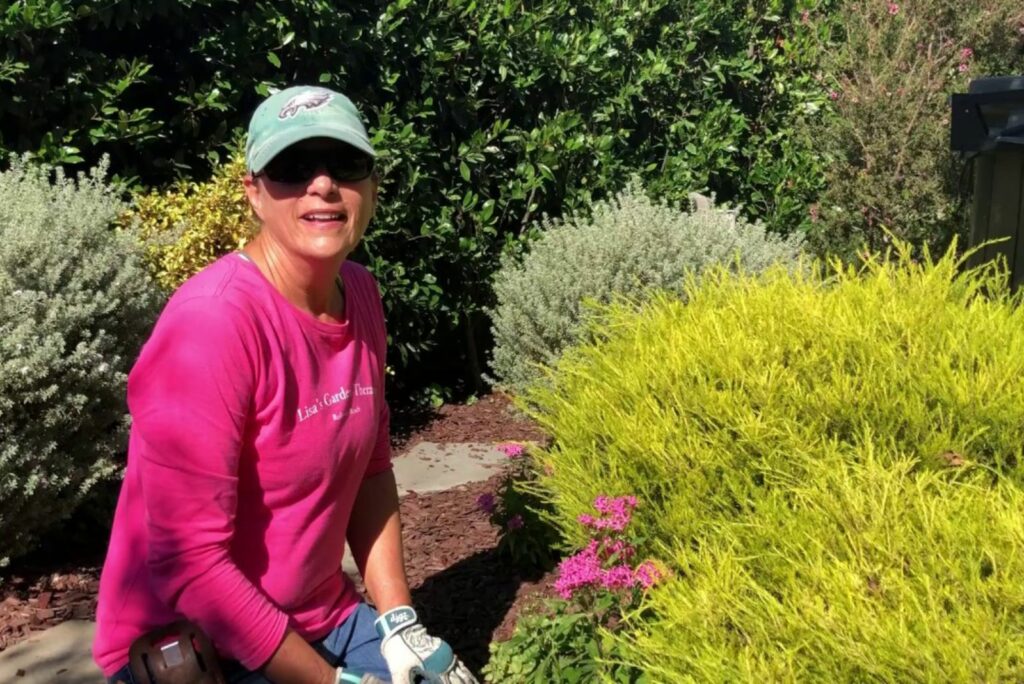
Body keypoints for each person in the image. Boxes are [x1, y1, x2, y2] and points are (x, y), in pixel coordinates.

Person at [93, 86, 477, 684]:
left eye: (344, 165)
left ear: (371, 186)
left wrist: (400, 622)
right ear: (254, 191)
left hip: (323, 617)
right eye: (293, 168)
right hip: (203, 648)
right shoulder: (213, 324)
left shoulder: (362, 295)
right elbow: (191, 565)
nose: (322, 185)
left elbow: (371, 468)